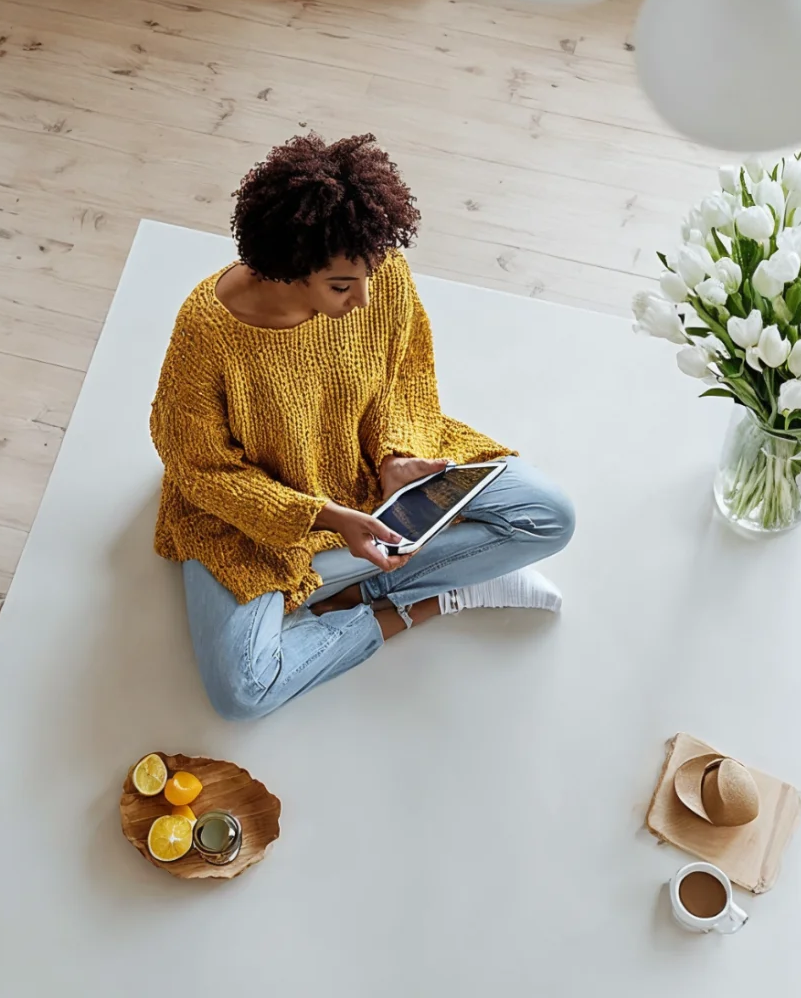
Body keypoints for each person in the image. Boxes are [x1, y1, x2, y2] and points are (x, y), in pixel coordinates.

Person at [150, 132, 575, 721]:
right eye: (342, 287)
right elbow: (197, 466)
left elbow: (405, 372)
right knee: (241, 691)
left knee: (550, 516)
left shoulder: (373, 266)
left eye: (371, 275)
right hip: (251, 516)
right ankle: (425, 600)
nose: (366, 299)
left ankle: (346, 584)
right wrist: (319, 517)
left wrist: (394, 455)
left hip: (368, 470)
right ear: (289, 269)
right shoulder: (208, 329)